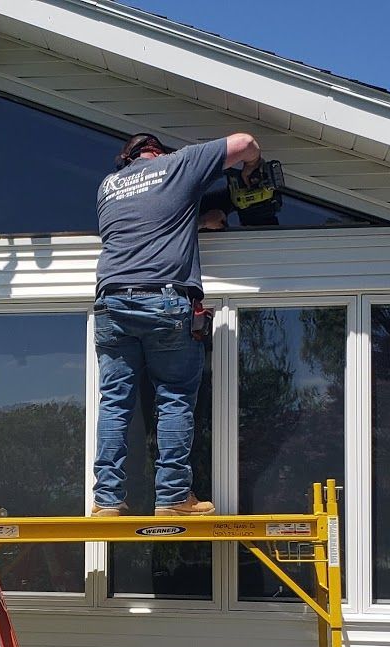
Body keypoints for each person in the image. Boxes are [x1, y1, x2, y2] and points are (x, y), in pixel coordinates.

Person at [91, 131, 261, 517]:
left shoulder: (108, 187)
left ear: (128, 158)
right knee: (174, 398)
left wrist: (197, 222)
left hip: (112, 302)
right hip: (164, 302)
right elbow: (245, 142)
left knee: (115, 403)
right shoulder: (178, 165)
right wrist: (251, 169)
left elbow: (148, 228)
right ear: (159, 152)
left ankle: (106, 501)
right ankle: (172, 498)